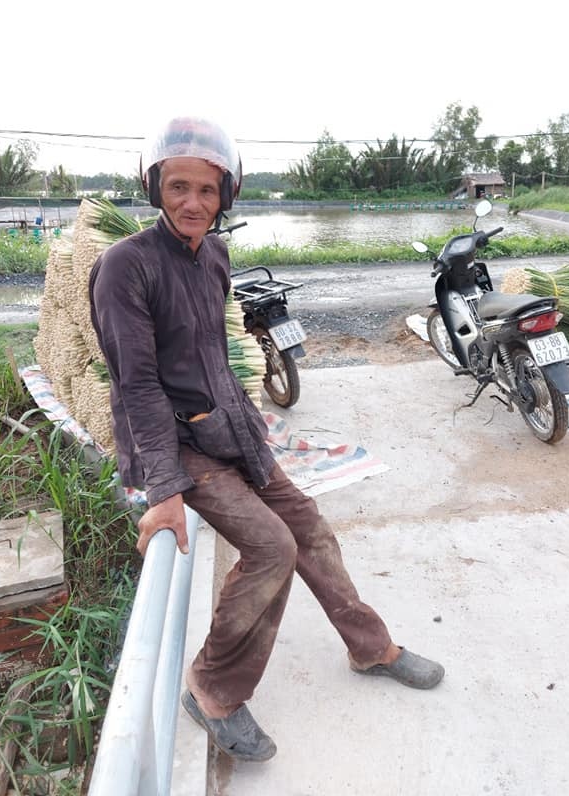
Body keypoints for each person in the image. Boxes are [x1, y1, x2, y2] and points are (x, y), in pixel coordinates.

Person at [88, 116, 444, 762]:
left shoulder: (214, 256)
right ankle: (213, 688)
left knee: (308, 526)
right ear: (154, 190)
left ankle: (371, 647)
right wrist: (163, 491)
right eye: (178, 188)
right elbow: (135, 384)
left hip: (229, 428)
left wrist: (251, 424)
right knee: (272, 546)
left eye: (207, 190)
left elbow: (214, 357)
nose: (193, 203)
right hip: (175, 446)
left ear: (227, 194)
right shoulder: (125, 267)